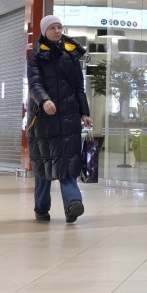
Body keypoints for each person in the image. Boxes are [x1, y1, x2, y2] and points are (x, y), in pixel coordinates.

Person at [26, 14, 92, 223]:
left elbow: (79, 88)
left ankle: (73, 204)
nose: (57, 31)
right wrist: (44, 100)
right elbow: (34, 84)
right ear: (44, 31)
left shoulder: (71, 54)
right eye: (52, 27)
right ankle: (41, 208)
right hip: (43, 119)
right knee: (44, 166)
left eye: (59, 27)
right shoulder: (36, 57)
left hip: (69, 117)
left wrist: (85, 112)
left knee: (67, 162)